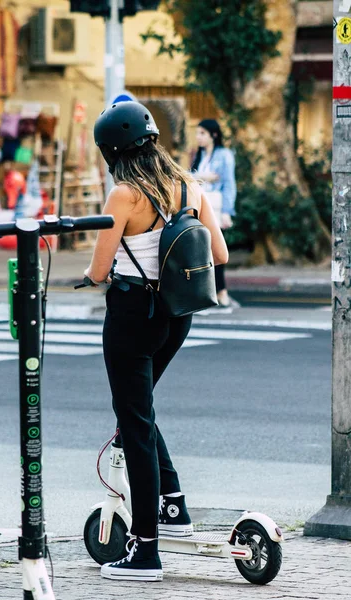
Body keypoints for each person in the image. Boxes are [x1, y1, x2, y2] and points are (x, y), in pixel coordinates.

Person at [84, 101, 228, 582]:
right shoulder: (188, 183)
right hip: (177, 314)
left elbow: (100, 270)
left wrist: (87, 276)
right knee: (139, 412)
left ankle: (145, 552)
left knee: (136, 422)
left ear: (111, 151)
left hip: (132, 317)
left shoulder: (124, 194)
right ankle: (174, 509)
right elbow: (219, 251)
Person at [192, 119, 236, 308]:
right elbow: (188, 176)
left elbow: (229, 184)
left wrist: (227, 211)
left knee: (217, 250)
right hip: (200, 207)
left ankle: (222, 291)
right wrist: (203, 177)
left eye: (202, 133)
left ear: (213, 135)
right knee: (201, 251)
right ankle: (210, 292)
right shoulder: (200, 155)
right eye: (197, 133)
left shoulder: (224, 155)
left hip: (216, 208)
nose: (198, 137)